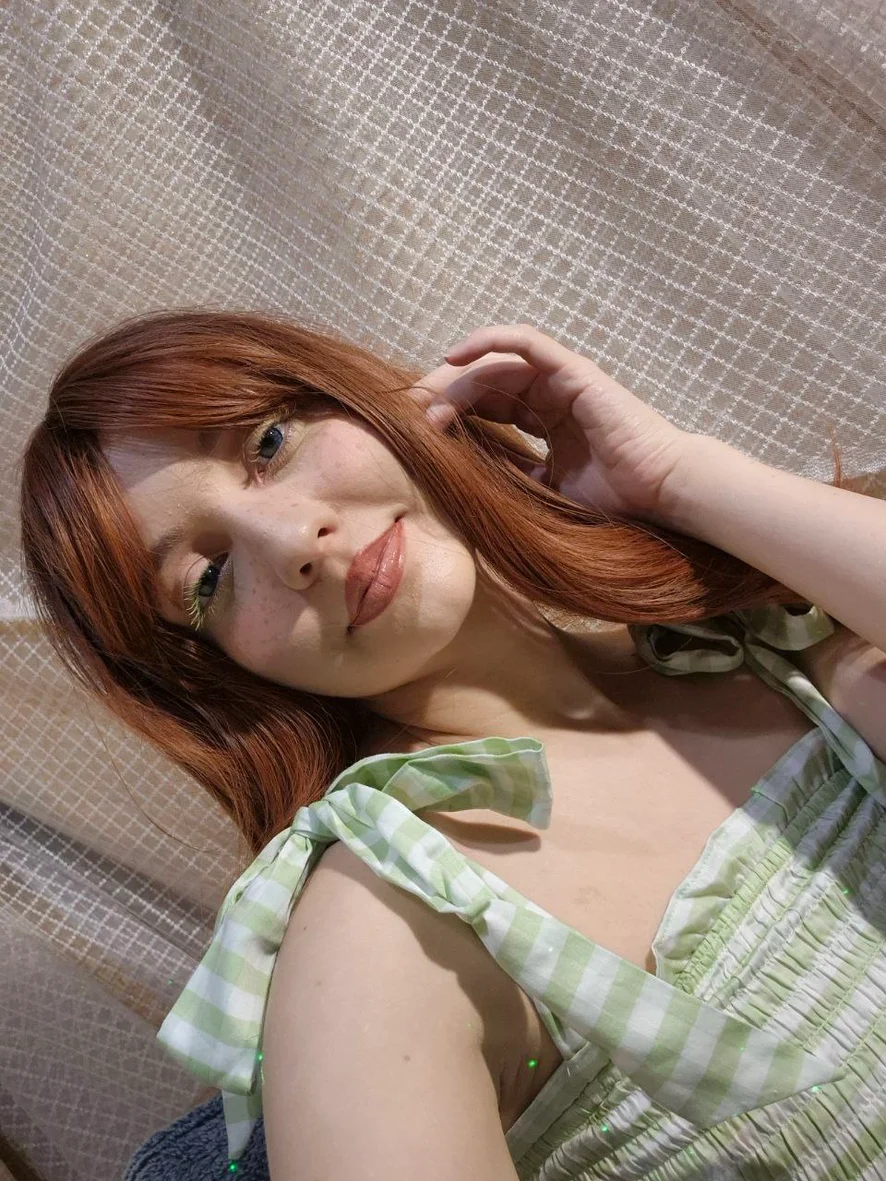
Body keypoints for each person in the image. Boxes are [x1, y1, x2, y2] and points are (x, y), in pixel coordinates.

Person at [20, 312, 886, 1179]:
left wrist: (679, 478)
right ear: (212, 666)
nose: (292, 542)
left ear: (362, 399)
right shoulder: (387, 937)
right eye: (209, 577)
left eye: (270, 442)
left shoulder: (748, 641)